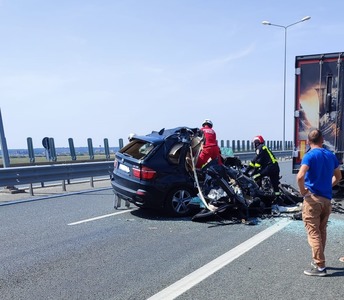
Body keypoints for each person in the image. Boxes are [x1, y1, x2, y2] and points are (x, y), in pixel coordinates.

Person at [297, 129, 342, 277]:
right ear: (322, 140)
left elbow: (300, 176)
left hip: (313, 200)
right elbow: (338, 176)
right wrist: (328, 186)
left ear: (309, 141)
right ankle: (318, 261)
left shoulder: (309, 155)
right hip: (327, 200)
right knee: (321, 231)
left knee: (313, 232)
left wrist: (304, 192)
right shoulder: (330, 155)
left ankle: (320, 266)